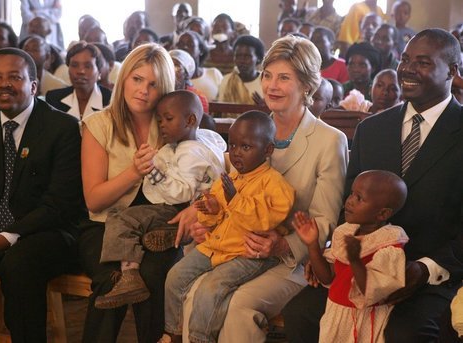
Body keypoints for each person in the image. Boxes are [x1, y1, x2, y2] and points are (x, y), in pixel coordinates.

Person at [284, 28, 463, 343]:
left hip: (428, 273)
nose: (407, 69)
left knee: (406, 334)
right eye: (405, 59)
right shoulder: (372, 129)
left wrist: (425, 268)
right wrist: (330, 252)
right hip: (358, 269)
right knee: (300, 313)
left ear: (451, 71)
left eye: (422, 62)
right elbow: (349, 205)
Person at [175, 35, 348, 343]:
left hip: (290, 260)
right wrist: (204, 218)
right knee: (194, 293)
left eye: (284, 78)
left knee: (239, 304)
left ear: (307, 86)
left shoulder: (329, 141)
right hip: (232, 248)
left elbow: (325, 222)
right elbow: (225, 195)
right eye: (267, 75)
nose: (271, 86)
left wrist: (283, 245)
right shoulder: (248, 130)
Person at [0, 47, 85, 341]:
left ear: (33, 86)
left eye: (14, 77)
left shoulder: (62, 128)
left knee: (18, 265)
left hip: (46, 234)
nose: (4, 84)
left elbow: (57, 206)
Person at [162, 111, 295, 343]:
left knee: (209, 288)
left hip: (247, 253)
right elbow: (213, 220)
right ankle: (173, 331)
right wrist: (211, 211)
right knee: (175, 276)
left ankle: (199, 339)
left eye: (246, 147)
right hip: (216, 247)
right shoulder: (229, 179)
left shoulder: (276, 185)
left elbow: (262, 222)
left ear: (268, 150)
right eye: (232, 145)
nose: (236, 153)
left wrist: (234, 200)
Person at [78, 43, 179, 343]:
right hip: (103, 225)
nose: (144, 90)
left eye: (153, 84)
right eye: (137, 79)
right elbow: (94, 200)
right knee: (114, 279)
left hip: (157, 225)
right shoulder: (99, 125)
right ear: (123, 79)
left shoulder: (172, 127)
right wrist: (133, 172)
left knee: (152, 275)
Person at [94, 90, 225, 309]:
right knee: (139, 224)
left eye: (168, 119)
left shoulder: (190, 153)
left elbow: (181, 192)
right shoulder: (200, 140)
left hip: (177, 208)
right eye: (159, 120)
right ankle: (170, 233)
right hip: (181, 210)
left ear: (191, 120)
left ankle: (130, 274)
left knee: (121, 219)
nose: (162, 125)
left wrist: (151, 170)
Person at [294, 170, 409, 342]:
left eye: (359, 198)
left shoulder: (389, 245)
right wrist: (312, 244)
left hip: (362, 319)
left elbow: (372, 292)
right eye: (352, 193)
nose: (350, 200)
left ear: (382, 214)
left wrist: (355, 260)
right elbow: (327, 278)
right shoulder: (345, 232)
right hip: (336, 313)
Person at [46, 42, 111, 122]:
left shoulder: (111, 101)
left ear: (99, 72)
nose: (81, 71)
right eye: (74, 65)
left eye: (87, 66)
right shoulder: (54, 98)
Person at [218, 35, 265, 110]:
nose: (242, 61)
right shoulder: (227, 80)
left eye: (247, 56)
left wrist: (265, 108)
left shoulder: (265, 82)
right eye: (238, 56)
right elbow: (219, 110)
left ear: (258, 59)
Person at [176, 30, 223, 102]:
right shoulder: (173, 78)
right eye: (180, 44)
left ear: (200, 50)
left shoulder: (213, 73)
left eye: (190, 44)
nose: (184, 47)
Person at [169, 49, 209, 114]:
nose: (171, 70)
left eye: (176, 66)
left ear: (186, 74)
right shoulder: (159, 92)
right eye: (168, 65)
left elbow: (202, 122)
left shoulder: (198, 98)